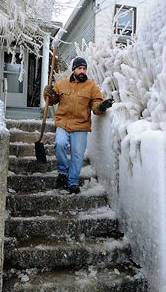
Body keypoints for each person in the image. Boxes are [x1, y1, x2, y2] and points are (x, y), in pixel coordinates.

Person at [43, 57, 114, 194]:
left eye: (84, 68)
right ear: (74, 69)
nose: (82, 71)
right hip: (63, 122)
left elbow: (95, 106)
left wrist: (102, 106)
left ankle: (73, 182)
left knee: (77, 154)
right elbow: (51, 101)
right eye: (79, 68)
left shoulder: (91, 86)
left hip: (81, 125)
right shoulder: (62, 84)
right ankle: (63, 173)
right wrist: (48, 93)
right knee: (60, 144)